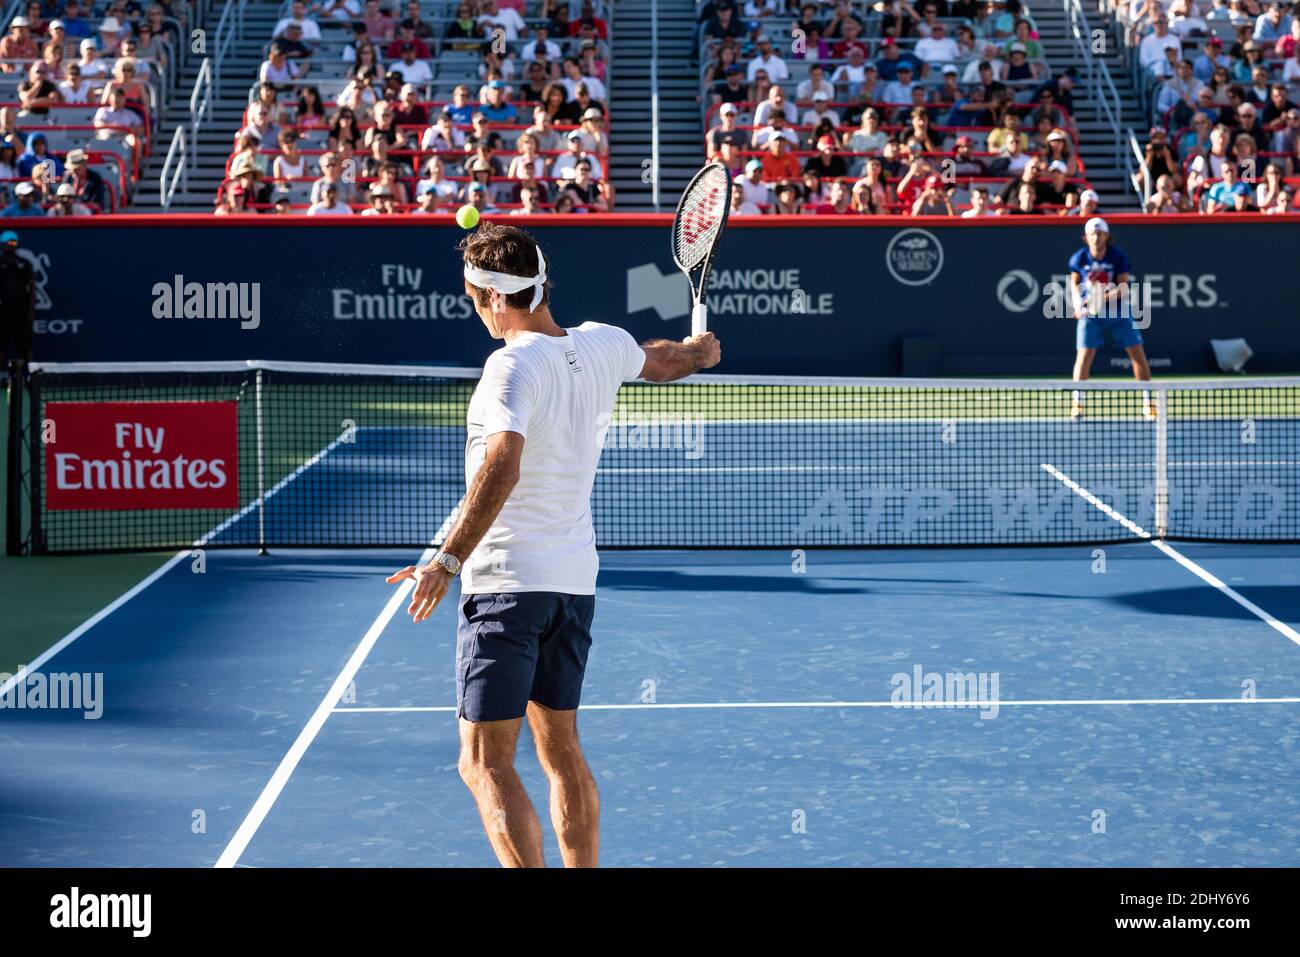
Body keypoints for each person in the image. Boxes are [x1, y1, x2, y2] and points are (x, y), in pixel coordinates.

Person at [385, 224, 720, 868]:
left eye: (472, 297)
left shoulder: (508, 367)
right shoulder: (604, 344)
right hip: (573, 586)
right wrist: (700, 352)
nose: (473, 308)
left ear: (490, 296)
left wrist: (447, 560)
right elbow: (662, 361)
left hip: (506, 588)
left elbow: (502, 467)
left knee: (482, 762)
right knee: (561, 751)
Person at [1067, 217, 1153, 419]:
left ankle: (1149, 403)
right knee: (1084, 356)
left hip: (1118, 312)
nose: (1096, 238)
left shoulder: (1117, 257)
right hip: (1091, 315)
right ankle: (1078, 403)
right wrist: (1079, 305)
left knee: (1137, 354)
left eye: (1100, 234)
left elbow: (1123, 287)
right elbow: (1074, 284)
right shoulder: (1079, 259)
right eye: (1092, 234)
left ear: (1107, 236)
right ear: (1085, 238)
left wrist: (1098, 299)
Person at [0, 230, 36, 366]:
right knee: (1, 345)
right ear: (2, 244)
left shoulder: (24, 263)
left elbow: (32, 288)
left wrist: (31, 311)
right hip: (2, 311)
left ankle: (31, 377)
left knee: (26, 346)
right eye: (9, 242)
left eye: (14, 242)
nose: (12, 245)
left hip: (21, 310)